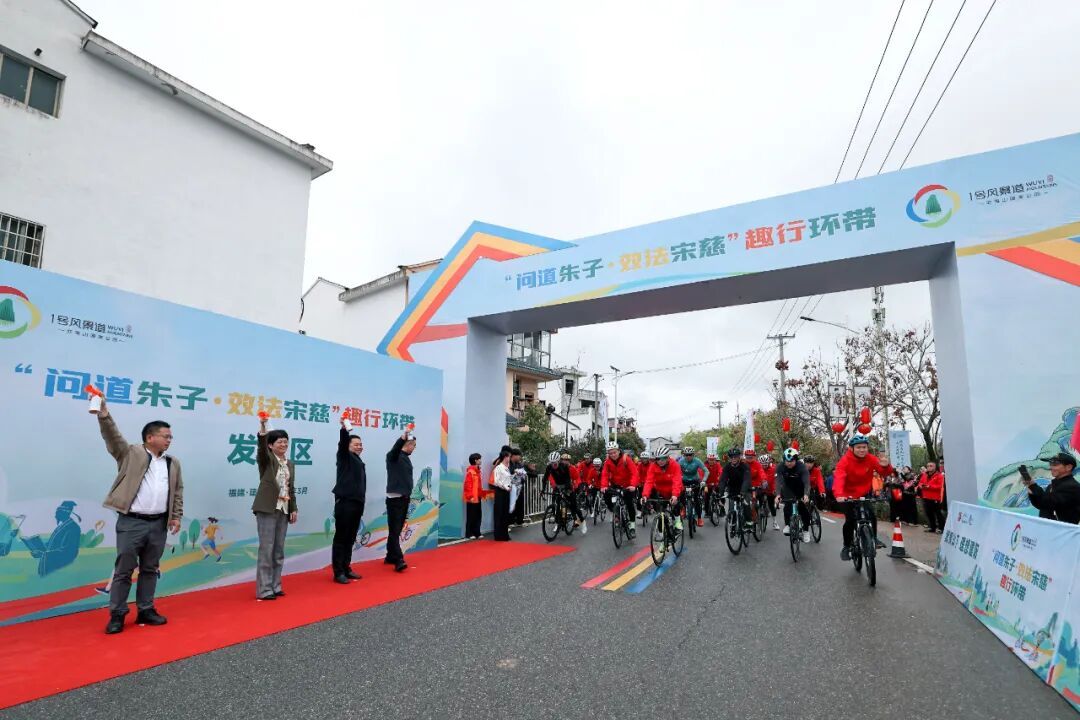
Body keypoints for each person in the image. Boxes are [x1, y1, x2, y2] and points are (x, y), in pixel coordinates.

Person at [96, 398, 182, 635]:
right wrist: (104, 416)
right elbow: (113, 437)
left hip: (159, 523)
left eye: (171, 437)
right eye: (166, 436)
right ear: (150, 437)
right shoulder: (130, 453)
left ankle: (146, 609)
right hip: (132, 522)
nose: (169, 440)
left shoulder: (172, 463)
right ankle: (117, 614)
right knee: (124, 570)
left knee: (150, 569)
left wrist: (175, 516)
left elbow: (177, 491)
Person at [254, 419, 298, 600]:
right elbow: (262, 450)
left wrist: (293, 508)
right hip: (267, 508)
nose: (284, 444)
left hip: (284, 509)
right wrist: (263, 429)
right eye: (279, 441)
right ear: (271, 445)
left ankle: (276, 585)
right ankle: (264, 589)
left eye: (286, 441)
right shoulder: (267, 460)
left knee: (278, 550)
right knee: (267, 549)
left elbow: (291, 487)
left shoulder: (290, 464)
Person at [833, 434, 881, 561]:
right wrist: (839, 495)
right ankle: (846, 546)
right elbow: (839, 478)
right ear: (852, 448)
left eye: (864, 447)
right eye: (858, 447)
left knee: (871, 515)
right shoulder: (845, 461)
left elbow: (883, 470)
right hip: (847, 495)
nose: (862, 450)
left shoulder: (871, 459)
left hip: (863, 494)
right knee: (850, 520)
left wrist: (886, 466)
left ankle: (874, 538)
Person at [332, 417, 367, 583]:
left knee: (351, 537)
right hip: (345, 503)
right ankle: (338, 572)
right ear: (348, 446)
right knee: (341, 538)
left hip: (357, 504)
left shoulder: (358, 460)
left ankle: (346, 567)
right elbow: (342, 443)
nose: (359, 446)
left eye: (361, 444)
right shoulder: (344, 457)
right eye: (356, 444)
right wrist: (344, 430)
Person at [385, 428, 416, 571]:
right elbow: (395, 450)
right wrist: (402, 438)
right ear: (407, 444)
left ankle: (390, 555)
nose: (414, 448)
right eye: (413, 445)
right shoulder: (393, 456)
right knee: (395, 530)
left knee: (396, 530)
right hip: (395, 499)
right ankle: (398, 559)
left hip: (404, 498)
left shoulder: (406, 458)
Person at [1022, 453, 1080, 524]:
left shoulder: (1072, 487)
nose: (1051, 467)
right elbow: (1041, 505)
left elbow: (1048, 503)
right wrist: (1031, 489)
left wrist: (1033, 486)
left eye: (1055, 464)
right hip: (1048, 528)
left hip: (1061, 530)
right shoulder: (1052, 485)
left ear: (1068, 467)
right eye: (1051, 464)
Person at [601, 442, 640, 539]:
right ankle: (616, 514)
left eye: (614, 452)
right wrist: (604, 486)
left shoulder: (626, 459)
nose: (613, 455)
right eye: (610, 453)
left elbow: (634, 473)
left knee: (629, 504)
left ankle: (632, 526)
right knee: (606, 495)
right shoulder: (607, 462)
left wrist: (633, 485)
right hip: (615, 485)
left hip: (628, 485)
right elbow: (605, 474)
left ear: (618, 451)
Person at [776, 448, 812, 543]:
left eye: (791, 461)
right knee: (787, 505)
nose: (789, 463)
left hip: (800, 488)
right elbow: (779, 482)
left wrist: (806, 494)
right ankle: (788, 525)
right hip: (788, 488)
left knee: (802, 508)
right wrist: (778, 494)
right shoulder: (780, 467)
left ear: (796, 460)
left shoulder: (801, 467)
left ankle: (806, 531)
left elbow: (806, 482)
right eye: (787, 461)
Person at [545, 452, 586, 534]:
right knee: (556, 505)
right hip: (558, 488)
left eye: (567, 460)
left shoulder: (572, 468)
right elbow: (551, 477)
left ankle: (580, 521)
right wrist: (554, 485)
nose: (565, 461)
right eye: (563, 460)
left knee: (573, 506)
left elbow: (577, 478)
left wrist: (575, 485)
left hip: (569, 488)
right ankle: (557, 523)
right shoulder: (557, 467)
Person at [642, 452, 684, 531]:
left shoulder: (675, 465)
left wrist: (675, 495)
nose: (660, 461)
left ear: (668, 458)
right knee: (660, 512)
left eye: (663, 458)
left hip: (673, 490)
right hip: (661, 491)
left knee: (675, 504)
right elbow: (649, 481)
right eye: (658, 459)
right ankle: (662, 533)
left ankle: (678, 521)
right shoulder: (653, 466)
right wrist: (645, 495)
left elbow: (677, 481)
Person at [719, 448, 752, 526]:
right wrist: (721, 494)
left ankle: (748, 522)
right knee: (731, 508)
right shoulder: (727, 467)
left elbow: (746, 479)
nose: (733, 458)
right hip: (733, 489)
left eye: (735, 457)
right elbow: (723, 481)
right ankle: (733, 524)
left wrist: (743, 492)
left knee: (746, 504)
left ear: (739, 457)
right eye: (731, 457)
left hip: (744, 488)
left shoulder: (745, 466)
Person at [677, 447, 708, 527]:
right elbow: (676, 471)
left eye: (690, 455)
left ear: (693, 455)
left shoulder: (697, 461)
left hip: (695, 480)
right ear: (684, 455)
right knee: (681, 495)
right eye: (686, 455)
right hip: (684, 481)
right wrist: (678, 478)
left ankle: (699, 518)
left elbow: (706, 471)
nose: (688, 456)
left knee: (697, 499)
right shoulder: (681, 461)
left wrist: (703, 480)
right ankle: (683, 509)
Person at [491, 449, 514, 541]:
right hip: (500, 491)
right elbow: (496, 481)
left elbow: (508, 479)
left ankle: (505, 535)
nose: (510, 458)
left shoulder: (507, 468)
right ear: (505, 457)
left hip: (506, 491)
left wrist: (511, 482)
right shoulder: (498, 468)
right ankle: (498, 535)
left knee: (505, 513)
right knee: (499, 513)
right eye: (509, 456)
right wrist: (505, 487)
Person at [917, 460, 946, 533]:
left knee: (938, 514)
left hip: (935, 498)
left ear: (935, 467)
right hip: (926, 497)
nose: (929, 467)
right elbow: (920, 483)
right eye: (928, 466)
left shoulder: (939, 475)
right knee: (929, 513)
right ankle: (932, 527)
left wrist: (929, 486)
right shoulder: (924, 475)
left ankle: (941, 528)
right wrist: (921, 486)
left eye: (931, 466)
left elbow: (940, 486)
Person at [463, 453, 483, 539]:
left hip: (478, 496)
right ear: (475, 460)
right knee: (471, 515)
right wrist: (470, 496)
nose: (480, 460)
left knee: (478, 515)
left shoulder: (478, 471)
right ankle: (469, 533)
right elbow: (467, 485)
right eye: (479, 459)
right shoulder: (470, 471)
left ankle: (477, 532)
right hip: (472, 497)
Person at [759, 454, 779, 530]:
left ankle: (775, 522)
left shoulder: (773, 469)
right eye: (762, 464)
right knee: (757, 502)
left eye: (765, 464)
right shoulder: (759, 469)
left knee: (771, 505)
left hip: (770, 489)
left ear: (768, 463)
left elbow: (775, 481)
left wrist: (774, 490)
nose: (764, 466)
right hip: (760, 489)